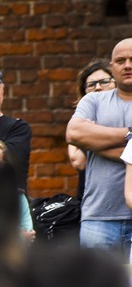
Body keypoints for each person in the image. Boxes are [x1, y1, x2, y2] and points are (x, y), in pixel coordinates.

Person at [66, 38, 132, 260]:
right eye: (120, 60)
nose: (127, 65)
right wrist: (130, 135)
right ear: (112, 67)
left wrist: (95, 143)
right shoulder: (93, 101)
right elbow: (75, 134)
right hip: (98, 216)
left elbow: (84, 139)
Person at [68, 59, 115, 201]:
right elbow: (79, 162)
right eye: (91, 84)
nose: (98, 87)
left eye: (104, 81)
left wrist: (91, 137)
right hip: (92, 198)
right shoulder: (79, 119)